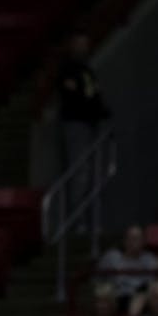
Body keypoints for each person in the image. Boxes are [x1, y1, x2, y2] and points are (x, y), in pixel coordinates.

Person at [56, 30, 110, 229]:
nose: (82, 48)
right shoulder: (67, 69)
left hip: (92, 126)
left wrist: (101, 110)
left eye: (85, 44)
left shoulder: (88, 71)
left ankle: (92, 224)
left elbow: (93, 95)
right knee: (79, 175)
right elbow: (77, 96)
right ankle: (78, 224)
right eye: (79, 44)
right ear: (72, 46)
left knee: (93, 177)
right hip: (76, 125)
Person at [96, 225, 158, 315]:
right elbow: (97, 280)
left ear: (143, 241)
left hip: (145, 299)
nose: (134, 241)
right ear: (124, 240)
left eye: (138, 238)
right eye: (131, 238)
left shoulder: (149, 258)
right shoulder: (112, 257)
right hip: (120, 297)